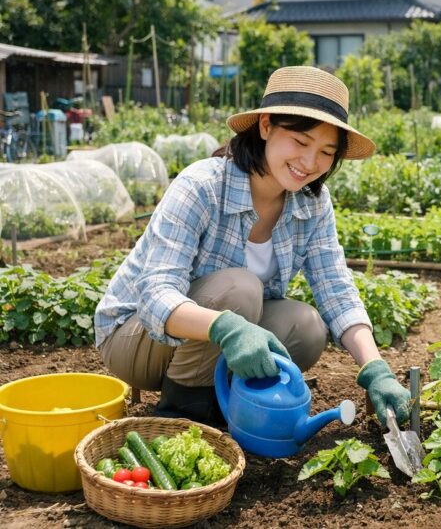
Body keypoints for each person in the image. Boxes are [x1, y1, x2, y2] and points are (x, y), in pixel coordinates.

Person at [94, 66, 410, 427]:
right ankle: (185, 417)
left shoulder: (312, 204)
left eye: (326, 152)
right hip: (134, 339)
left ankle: (228, 399)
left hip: (208, 337)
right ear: (265, 126)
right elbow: (155, 296)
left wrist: (375, 368)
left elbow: (336, 289)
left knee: (306, 327)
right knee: (240, 289)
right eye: (301, 142)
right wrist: (226, 327)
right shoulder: (202, 186)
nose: (310, 163)